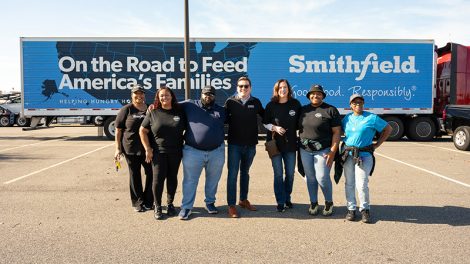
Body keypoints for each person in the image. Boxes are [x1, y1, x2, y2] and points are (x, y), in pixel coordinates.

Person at [178, 85, 226, 220]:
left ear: (214, 96)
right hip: (193, 151)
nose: (207, 96)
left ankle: (210, 203)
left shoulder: (221, 110)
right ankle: (186, 207)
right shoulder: (189, 105)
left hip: (216, 151)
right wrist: (153, 107)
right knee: (190, 181)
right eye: (205, 94)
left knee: (213, 180)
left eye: (210, 94)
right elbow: (169, 105)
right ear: (201, 94)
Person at [341, 94, 392, 223]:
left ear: (363, 104)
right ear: (350, 105)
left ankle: (364, 209)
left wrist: (377, 144)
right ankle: (351, 209)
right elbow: (339, 132)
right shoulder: (346, 119)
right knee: (349, 183)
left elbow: (388, 129)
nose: (357, 104)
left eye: (360, 102)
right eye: (355, 102)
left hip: (364, 155)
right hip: (348, 155)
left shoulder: (371, 118)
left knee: (362, 184)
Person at [139, 86, 186, 220]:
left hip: (176, 152)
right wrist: (148, 148)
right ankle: (158, 206)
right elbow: (142, 130)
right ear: (158, 98)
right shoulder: (153, 112)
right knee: (158, 180)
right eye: (161, 96)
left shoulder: (180, 112)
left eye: (167, 95)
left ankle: (170, 204)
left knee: (172, 178)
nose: (164, 98)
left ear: (172, 96)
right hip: (158, 152)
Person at [225, 76, 265, 218]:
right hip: (234, 145)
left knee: (245, 173)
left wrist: (278, 124)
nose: (243, 88)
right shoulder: (230, 102)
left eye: (246, 86)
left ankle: (243, 200)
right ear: (237, 87)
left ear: (250, 88)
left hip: (250, 145)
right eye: (241, 86)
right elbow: (221, 119)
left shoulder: (256, 102)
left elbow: (267, 118)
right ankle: (231, 205)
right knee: (232, 175)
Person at [298, 84, 341, 216]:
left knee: (322, 177)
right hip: (305, 149)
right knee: (310, 178)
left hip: (323, 150)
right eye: (313, 93)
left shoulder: (330, 110)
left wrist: (333, 151)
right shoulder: (303, 110)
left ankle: (328, 202)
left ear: (322, 95)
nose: (315, 95)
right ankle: (313, 202)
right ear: (309, 96)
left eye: (318, 93)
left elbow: (337, 132)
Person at [263, 79, 301, 212]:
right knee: (278, 174)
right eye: (280, 88)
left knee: (290, 174)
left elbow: (301, 122)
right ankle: (280, 201)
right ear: (276, 90)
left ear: (289, 89)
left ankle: (287, 197)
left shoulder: (295, 104)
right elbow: (264, 123)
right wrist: (274, 127)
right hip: (275, 145)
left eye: (285, 87)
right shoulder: (271, 105)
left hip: (290, 145)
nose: (283, 90)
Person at [114, 84, 153, 212]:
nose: (139, 96)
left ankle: (149, 201)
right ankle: (138, 202)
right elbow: (118, 130)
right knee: (134, 175)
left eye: (141, 93)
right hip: (131, 149)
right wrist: (117, 148)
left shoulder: (150, 109)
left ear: (144, 95)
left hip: (148, 149)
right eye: (136, 93)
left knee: (151, 174)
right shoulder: (126, 110)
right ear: (132, 95)